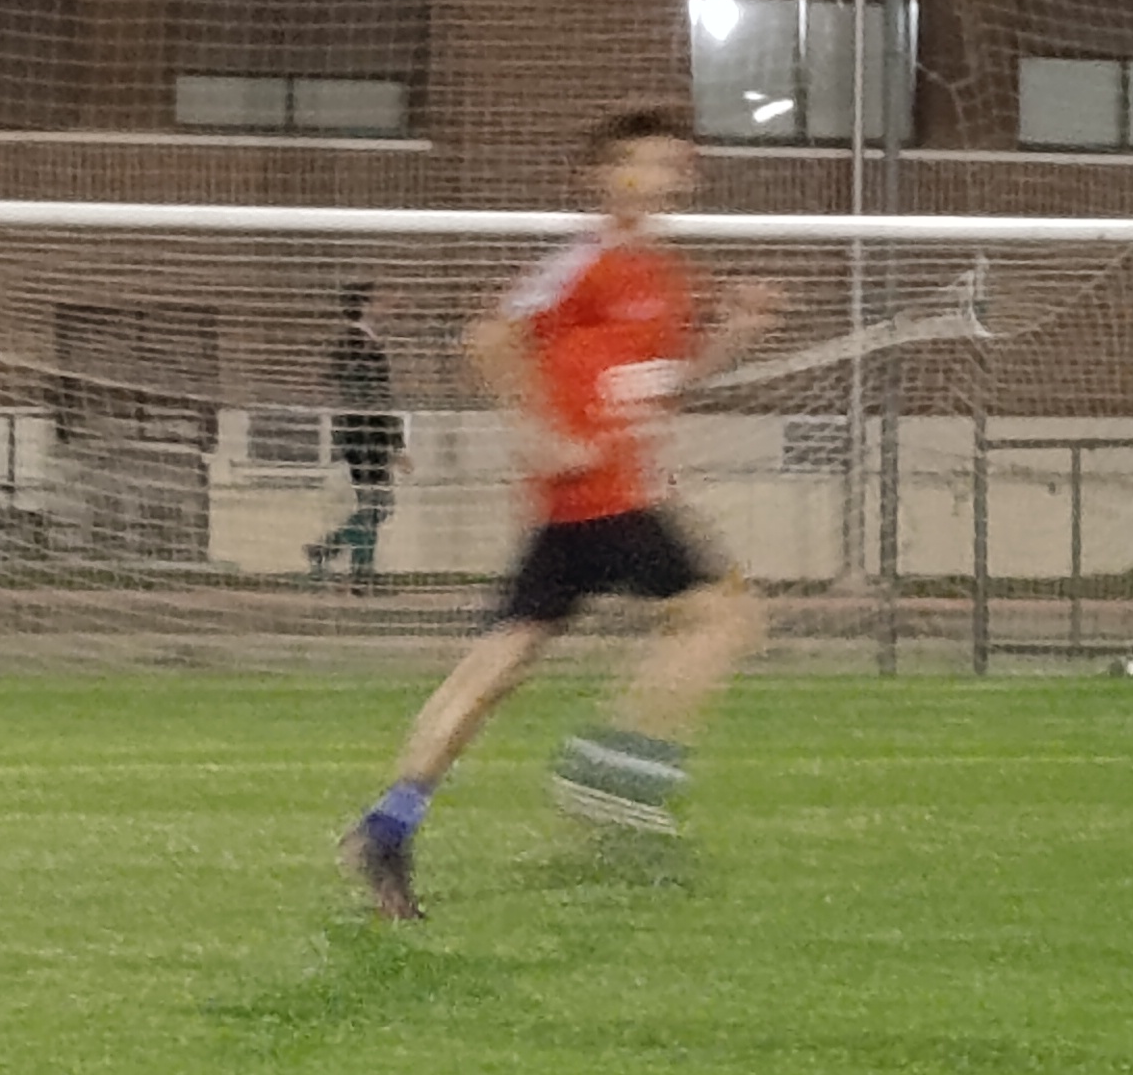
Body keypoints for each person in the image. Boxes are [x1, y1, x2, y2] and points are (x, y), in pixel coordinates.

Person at [341, 107, 780, 920]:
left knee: (498, 667)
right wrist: (543, 432)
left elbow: (667, 381)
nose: (668, 177)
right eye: (649, 162)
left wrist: (735, 337)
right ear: (606, 176)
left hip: (594, 502)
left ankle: (390, 824)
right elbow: (488, 339)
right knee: (727, 617)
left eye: (676, 164)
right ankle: (616, 766)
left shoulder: (665, 279)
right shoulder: (586, 259)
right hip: (602, 496)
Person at [302, 281, 405, 590]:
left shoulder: (363, 342)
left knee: (375, 505)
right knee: (376, 504)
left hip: (365, 433)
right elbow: (372, 396)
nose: (389, 306)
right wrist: (395, 442)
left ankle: (344, 560)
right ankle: (353, 567)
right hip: (364, 435)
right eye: (381, 300)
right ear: (365, 305)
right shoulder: (355, 344)